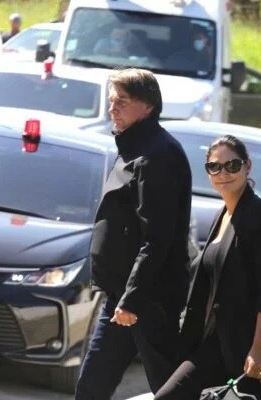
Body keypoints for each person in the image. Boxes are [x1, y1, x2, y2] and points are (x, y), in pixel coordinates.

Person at [154, 135, 261, 400]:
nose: (223, 173)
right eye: (214, 167)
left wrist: (259, 349)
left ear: (247, 166)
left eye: (232, 165)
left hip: (257, 345)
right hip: (220, 341)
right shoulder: (223, 214)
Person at [75, 68, 192, 399]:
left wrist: (132, 300)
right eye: (111, 100)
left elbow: (157, 237)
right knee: (92, 386)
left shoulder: (157, 155)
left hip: (148, 298)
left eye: (122, 101)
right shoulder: (133, 145)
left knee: (169, 388)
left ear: (148, 107)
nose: (112, 108)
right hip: (122, 295)